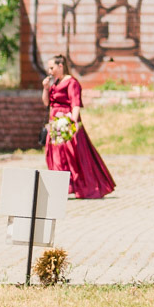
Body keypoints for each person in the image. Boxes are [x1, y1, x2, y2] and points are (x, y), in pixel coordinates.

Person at [43, 54, 116, 199]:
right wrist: (45, 88)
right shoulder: (54, 83)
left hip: (66, 122)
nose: (49, 71)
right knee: (56, 156)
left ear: (60, 66)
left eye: (52, 68)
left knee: (73, 156)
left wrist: (71, 124)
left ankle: (82, 186)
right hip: (55, 123)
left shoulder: (72, 83)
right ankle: (60, 187)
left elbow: (75, 104)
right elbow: (47, 103)